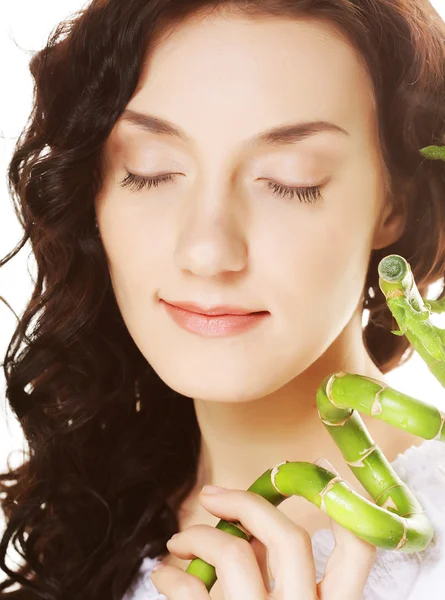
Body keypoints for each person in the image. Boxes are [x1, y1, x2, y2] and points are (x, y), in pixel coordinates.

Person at [1, 0, 445, 598]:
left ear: (397, 203)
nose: (207, 251)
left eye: (292, 180)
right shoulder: (85, 517)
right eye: (150, 171)